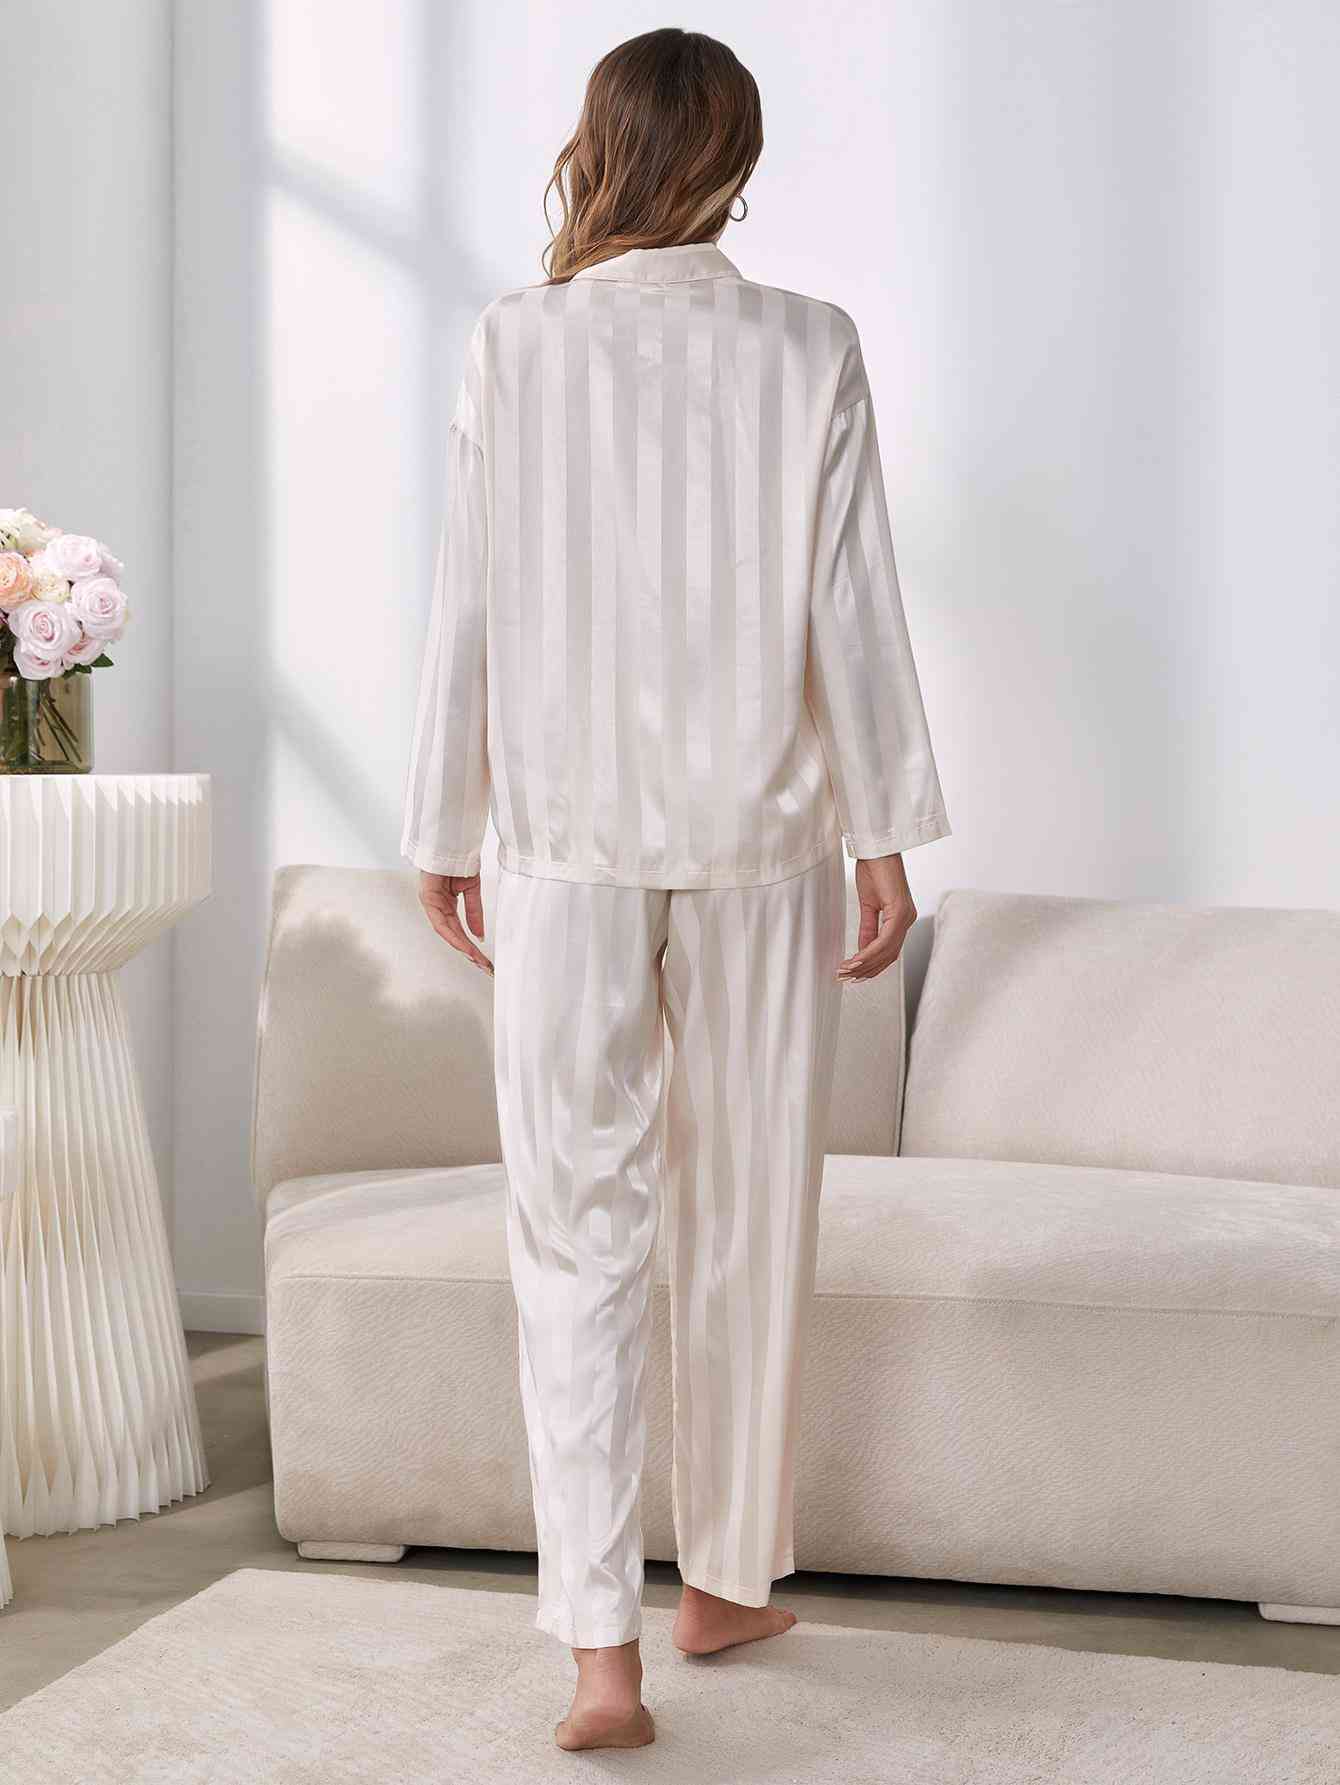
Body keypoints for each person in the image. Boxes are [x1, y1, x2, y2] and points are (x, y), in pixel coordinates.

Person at [403, 26, 950, 1753]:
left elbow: (468, 596)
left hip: (563, 839)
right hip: (761, 837)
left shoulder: (516, 340)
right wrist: (885, 833)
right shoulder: (810, 345)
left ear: (601, 146)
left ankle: (603, 1653)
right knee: (748, 1209)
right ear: (736, 160)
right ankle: (718, 1577)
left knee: (575, 1225)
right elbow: (853, 606)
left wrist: (442, 818)